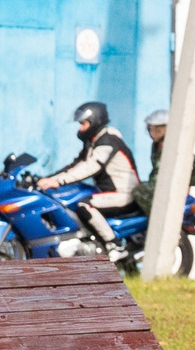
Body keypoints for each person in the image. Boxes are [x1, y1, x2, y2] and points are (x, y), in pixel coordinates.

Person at [35, 101, 141, 243]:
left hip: (124, 194)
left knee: (84, 205)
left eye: (83, 123)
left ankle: (113, 244)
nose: (80, 128)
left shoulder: (108, 141)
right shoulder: (93, 141)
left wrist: (58, 181)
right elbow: (75, 165)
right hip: (107, 192)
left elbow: (90, 167)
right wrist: (47, 178)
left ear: (95, 121)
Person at [130, 108, 195, 218]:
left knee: (139, 191)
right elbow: (156, 171)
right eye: (151, 129)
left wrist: (186, 185)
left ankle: (160, 218)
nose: (153, 133)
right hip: (160, 185)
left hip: (172, 187)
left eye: (158, 130)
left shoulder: (175, 147)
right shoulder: (156, 146)